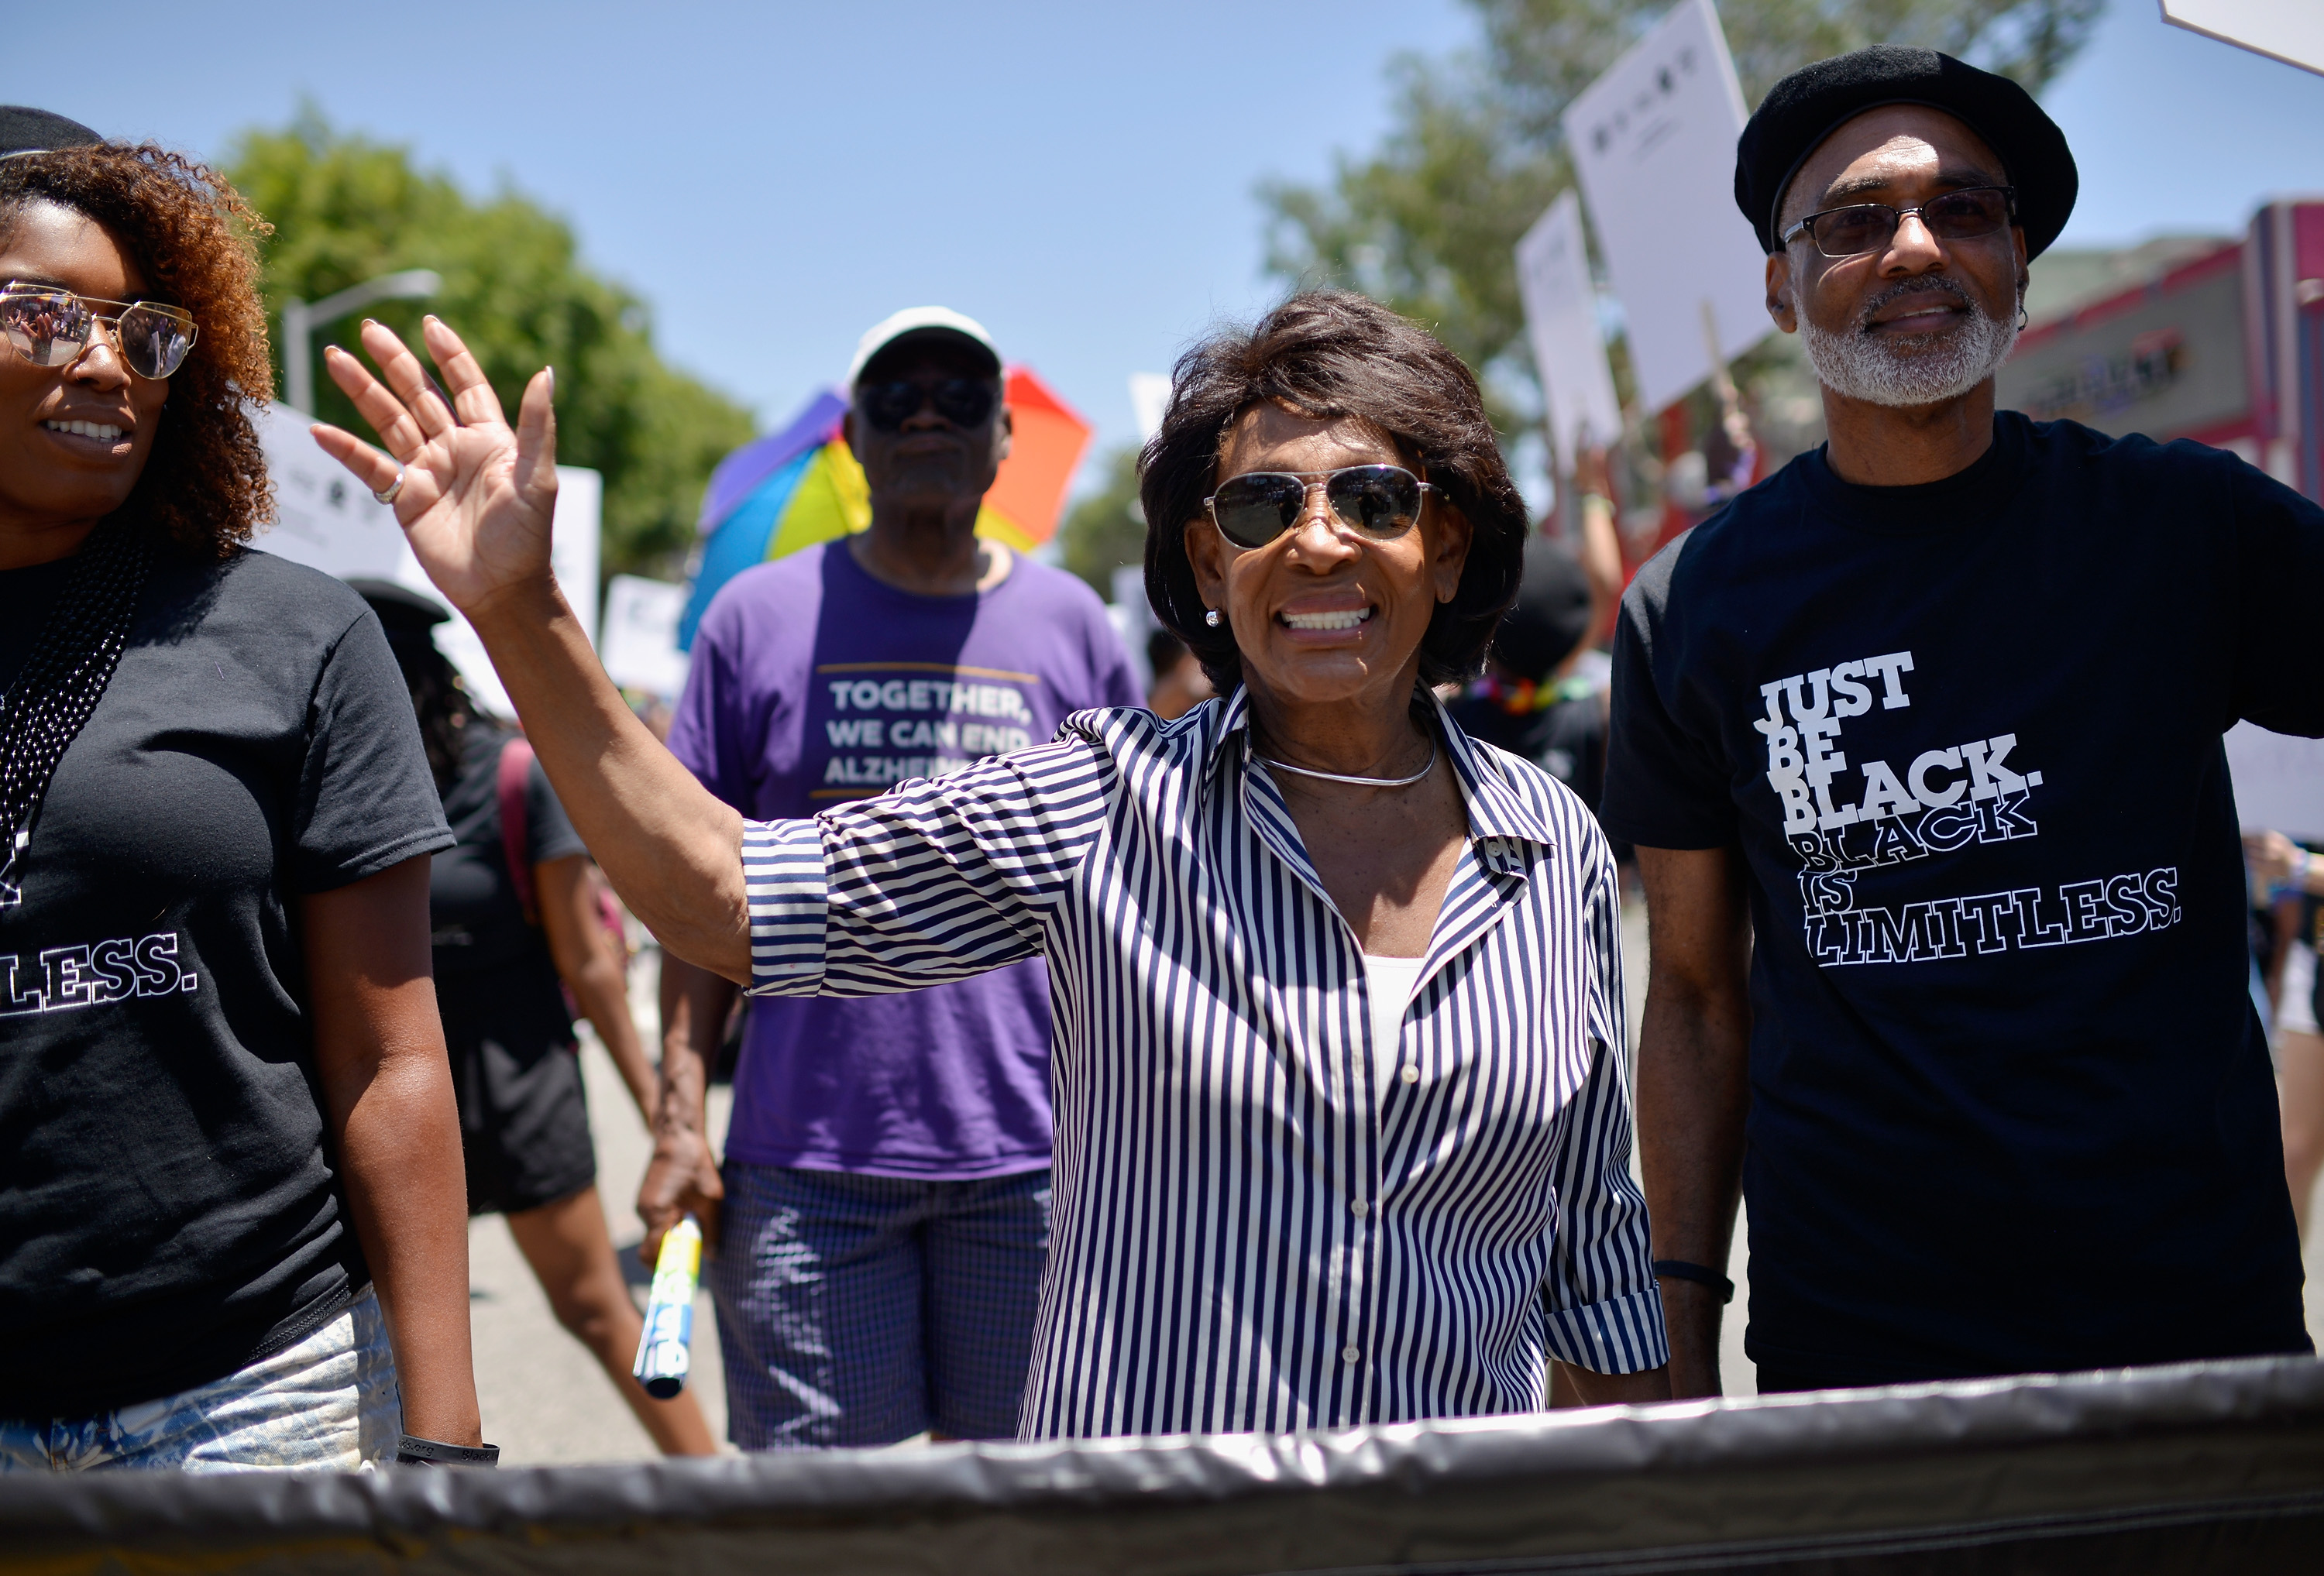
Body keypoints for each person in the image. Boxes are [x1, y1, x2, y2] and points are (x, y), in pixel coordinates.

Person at [312, 287, 1671, 1439]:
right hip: (1143, 1523)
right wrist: (523, 608)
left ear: (1445, 545)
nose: (1316, 538)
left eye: (1374, 496)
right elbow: (730, 894)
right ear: (1211, 559)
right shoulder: (1107, 806)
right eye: (1261, 505)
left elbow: (1599, 1263)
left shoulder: (1548, 849)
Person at [1601, 47, 2324, 1399]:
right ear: (1780, 286)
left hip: (2196, 1325)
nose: (1918, 248)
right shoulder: (1691, 605)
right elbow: (1696, 998)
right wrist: (1677, 1322)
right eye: (1857, 222)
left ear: (2020, 266)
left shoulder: (2185, 529)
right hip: (1861, 1347)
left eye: (1967, 212)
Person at [0, 111, 486, 1469]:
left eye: (148, 333)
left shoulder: (293, 637)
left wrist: (445, 1449)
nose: (106, 360)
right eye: (43, 317)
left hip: (251, 1395)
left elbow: (389, 1060)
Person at [651, 307, 1142, 1449]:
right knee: (828, 1531)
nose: (928, 412)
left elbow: (1126, 895)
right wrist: (680, 1121)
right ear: (854, 439)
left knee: (1029, 1517)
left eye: (961, 394)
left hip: (1033, 1160)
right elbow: (692, 903)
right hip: (806, 1165)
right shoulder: (754, 619)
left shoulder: (1074, 626)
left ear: (1004, 437)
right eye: (895, 397)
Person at [355, 579, 716, 1457]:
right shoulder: (338, 781)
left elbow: (588, 965)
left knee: (593, 1303)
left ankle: (719, 1497)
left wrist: (664, 1117)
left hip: (518, 1077)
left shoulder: (513, 773)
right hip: (387, 1082)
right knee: (390, 1341)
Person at [2246, 829, 2324, 1245]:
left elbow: (2296, 867)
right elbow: (2275, 900)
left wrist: (2298, 866)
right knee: (2295, 1152)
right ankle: (2284, 1298)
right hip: (2314, 958)